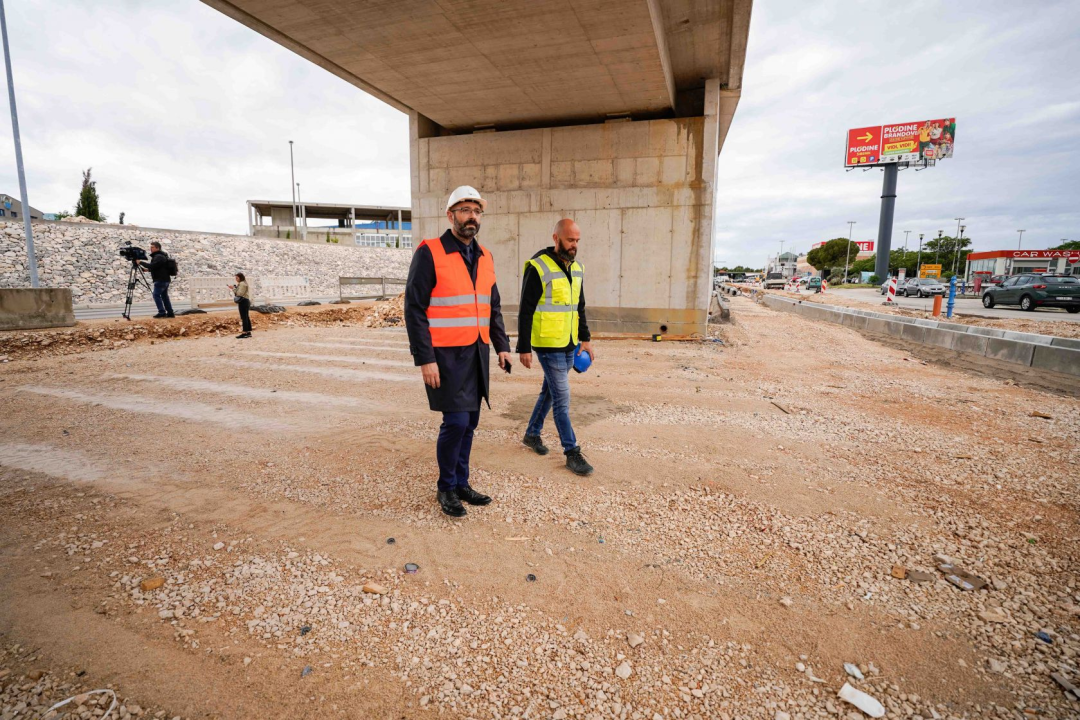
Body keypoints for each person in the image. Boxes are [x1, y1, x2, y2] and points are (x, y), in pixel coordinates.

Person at [404, 185, 512, 518]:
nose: (471, 217)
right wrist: (425, 358)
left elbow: (492, 307)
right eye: (465, 210)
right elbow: (414, 308)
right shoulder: (430, 252)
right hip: (446, 356)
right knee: (455, 422)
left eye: (477, 211)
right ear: (451, 215)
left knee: (470, 423)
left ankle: (461, 482)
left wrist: (502, 347)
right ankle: (446, 487)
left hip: (477, 353)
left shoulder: (486, 256)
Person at [517, 218, 595, 476]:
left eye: (577, 241)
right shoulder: (538, 267)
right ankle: (572, 452)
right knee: (562, 398)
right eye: (570, 240)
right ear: (556, 238)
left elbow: (579, 307)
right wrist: (524, 346)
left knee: (550, 393)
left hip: (569, 342)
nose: (574, 245)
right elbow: (525, 310)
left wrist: (585, 339)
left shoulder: (577, 268)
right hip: (547, 344)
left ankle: (531, 434)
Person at [135, 241, 174, 318]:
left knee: (156, 295)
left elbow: (152, 266)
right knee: (164, 296)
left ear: (157, 248)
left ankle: (162, 312)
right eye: (151, 247)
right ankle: (170, 313)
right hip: (164, 279)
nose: (151, 249)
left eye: (152, 247)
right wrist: (147, 270)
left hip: (160, 280)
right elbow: (158, 267)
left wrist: (140, 262)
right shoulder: (161, 256)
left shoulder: (159, 256)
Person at [228, 273, 252, 339]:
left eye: (237, 278)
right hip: (246, 301)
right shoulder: (244, 283)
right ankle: (248, 332)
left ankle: (244, 332)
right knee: (246, 317)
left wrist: (233, 289)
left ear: (240, 277)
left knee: (244, 317)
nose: (236, 279)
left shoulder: (242, 284)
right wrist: (234, 288)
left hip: (243, 301)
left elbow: (239, 293)